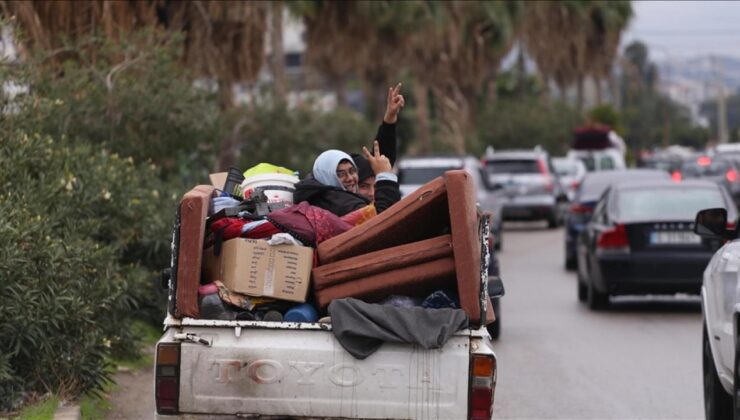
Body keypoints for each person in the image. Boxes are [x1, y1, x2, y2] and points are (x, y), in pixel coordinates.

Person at [293, 141, 400, 217]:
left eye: (352, 171)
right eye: (340, 174)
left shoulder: (326, 195)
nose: (350, 178)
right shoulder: (339, 202)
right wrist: (385, 176)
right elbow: (383, 220)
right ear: (326, 177)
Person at [352, 83, 405, 202]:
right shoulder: (348, 209)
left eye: (376, 186)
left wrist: (390, 118)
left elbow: (383, 159)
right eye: (364, 186)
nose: (372, 193)